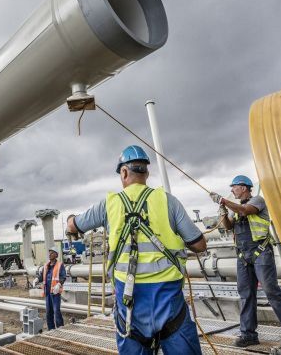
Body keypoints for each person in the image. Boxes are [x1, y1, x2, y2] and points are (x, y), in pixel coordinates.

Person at [67, 145, 207, 355]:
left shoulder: (109, 205)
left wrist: (70, 220)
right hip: (169, 303)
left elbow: (73, 226)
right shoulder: (168, 201)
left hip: (129, 305)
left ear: (124, 172)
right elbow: (199, 245)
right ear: (147, 173)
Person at [209, 175, 281, 354]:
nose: (232, 190)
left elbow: (245, 210)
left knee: (273, 294)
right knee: (246, 295)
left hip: (260, 252)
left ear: (244, 187)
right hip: (243, 256)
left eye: (234, 187)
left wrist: (224, 200)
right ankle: (248, 335)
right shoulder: (234, 207)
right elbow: (228, 226)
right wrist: (223, 210)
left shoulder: (257, 201)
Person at [37, 247, 67, 330]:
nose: (50, 254)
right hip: (47, 292)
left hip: (55, 292)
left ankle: (60, 328)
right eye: (49, 253)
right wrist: (37, 279)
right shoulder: (46, 266)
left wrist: (59, 284)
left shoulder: (60, 265)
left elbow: (63, 276)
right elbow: (41, 275)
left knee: (56, 311)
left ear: (56, 255)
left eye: (52, 253)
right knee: (48, 312)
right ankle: (51, 329)